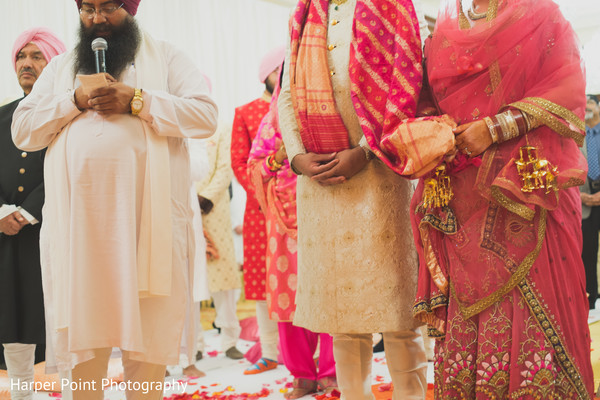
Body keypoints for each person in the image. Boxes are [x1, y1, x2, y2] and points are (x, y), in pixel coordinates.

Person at [364, 0, 594, 398]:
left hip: (525, 188)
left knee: (533, 306)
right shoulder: (439, 35)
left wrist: (495, 126)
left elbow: (567, 86)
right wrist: (434, 133)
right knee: (468, 313)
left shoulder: (540, 15)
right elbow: (423, 103)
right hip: (459, 195)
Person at [11, 1, 218, 399]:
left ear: (130, 8)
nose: (97, 18)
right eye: (87, 8)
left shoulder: (168, 56)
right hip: (80, 238)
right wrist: (73, 100)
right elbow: (23, 130)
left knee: (146, 356)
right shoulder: (60, 69)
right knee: (85, 362)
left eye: (108, 7)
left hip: (146, 232)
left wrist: (138, 100)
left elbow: (205, 115)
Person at [278, 1, 428, 399]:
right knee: (342, 317)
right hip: (321, 186)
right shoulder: (304, 14)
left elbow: (407, 83)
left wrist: (366, 150)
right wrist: (296, 157)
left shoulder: (392, 6)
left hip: (382, 178)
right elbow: (287, 96)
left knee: (399, 314)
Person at [249, 76, 337, 398]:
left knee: (328, 292)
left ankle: (331, 372)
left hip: (327, 209)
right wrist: (279, 157)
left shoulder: (325, 110)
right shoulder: (272, 119)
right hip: (283, 220)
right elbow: (254, 166)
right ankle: (302, 375)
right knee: (289, 298)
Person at [0, 27, 65, 400]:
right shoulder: (2, 115)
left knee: (52, 313)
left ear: (54, 63)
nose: (26, 63)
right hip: (5, 234)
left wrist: (28, 211)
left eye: (36, 56)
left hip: (50, 231)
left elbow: (65, 169)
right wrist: (4, 213)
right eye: (21, 57)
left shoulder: (65, 115)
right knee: (10, 312)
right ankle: (22, 392)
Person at [231, 46, 284, 374]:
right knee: (263, 281)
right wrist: (267, 192)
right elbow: (239, 161)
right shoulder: (247, 111)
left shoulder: (297, 110)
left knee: (299, 276)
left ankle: (314, 353)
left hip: (298, 207)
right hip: (259, 210)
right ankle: (270, 351)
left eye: (286, 70)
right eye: (275, 70)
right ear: (263, 75)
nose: (281, 76)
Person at [196, 124, 244, 360]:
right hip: (182, 209)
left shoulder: (220, 130)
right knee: (188, 280)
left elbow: (225, 169)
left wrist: (205, 198)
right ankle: (193, 345)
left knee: (223, 276)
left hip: (214, 209)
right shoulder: (174, 129)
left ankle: (230, 340)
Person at [582, 94, 600, 311]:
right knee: (588, 250)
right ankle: (591, 299)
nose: (586, 106)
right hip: (584, 199)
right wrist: (580, 197)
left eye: (591, 102)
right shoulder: (575, 134)